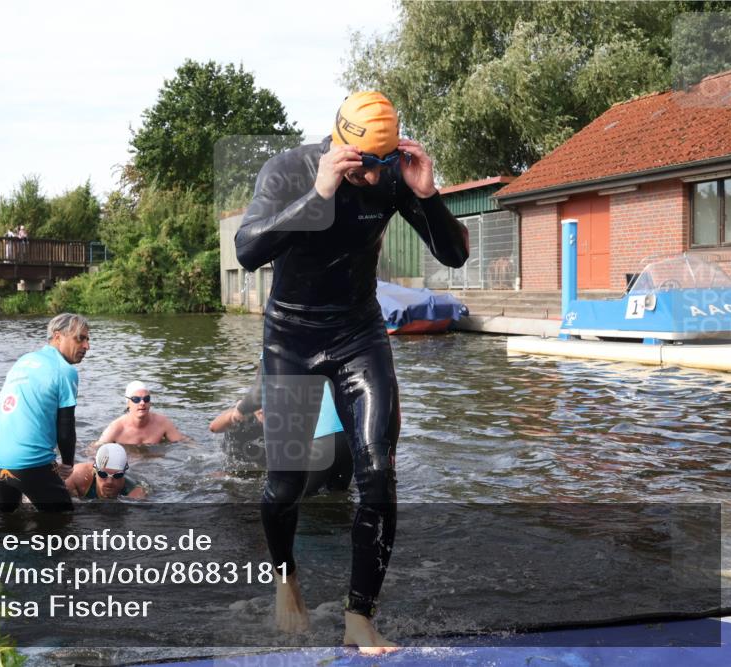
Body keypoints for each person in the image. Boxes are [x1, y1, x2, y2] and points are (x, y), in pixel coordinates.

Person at [234, 91, 469, 652]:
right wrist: (318, 194)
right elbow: (247, 249)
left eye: (383, 163)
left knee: (377, 468)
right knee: (286, 481)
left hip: (359, 333)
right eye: (365, 163)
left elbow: (455, 254)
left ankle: (359, 613)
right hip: (290, 337)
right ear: (341, 145)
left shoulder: (391, 176)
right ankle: (285, 574)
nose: (373, 176)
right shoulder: (289, 170)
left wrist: (427, 194)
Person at [0, 313, 91, 512]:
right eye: (80, 338)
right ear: (58, 337)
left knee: (8, 524)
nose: (87, 346)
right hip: (29, 462)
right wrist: (67, 465)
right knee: (63, 523)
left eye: (88, 339)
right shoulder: (65, 370)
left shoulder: (24, 361)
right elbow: (66, 426)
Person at [210, 364, 352, 496]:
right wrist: (237, 413)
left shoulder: (286, 415)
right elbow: (214, 427)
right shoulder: (246, 413)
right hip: (240, 463)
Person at [96, 381, 185, 445]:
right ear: (128, 403)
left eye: (146, 399)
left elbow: (183, 442)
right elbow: (94, 450)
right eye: (136, 399)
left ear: (150, 403)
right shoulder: (116, 428)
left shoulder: (162, 423)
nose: (142, 403)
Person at [64, 443, 147, 499]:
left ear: (124, 472)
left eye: (117, 475)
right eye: (103, 474)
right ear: (95, 469)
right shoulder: (76, 476)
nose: (109, 481)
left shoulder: (135, 493)